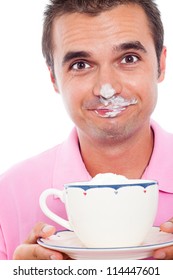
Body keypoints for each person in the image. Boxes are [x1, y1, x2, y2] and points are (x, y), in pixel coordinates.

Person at [0, 0, 173, 260]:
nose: (107, 88)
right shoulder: (8, 193)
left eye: (128, 58)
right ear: (54, 78)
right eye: (81, 64)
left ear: (160, 64)